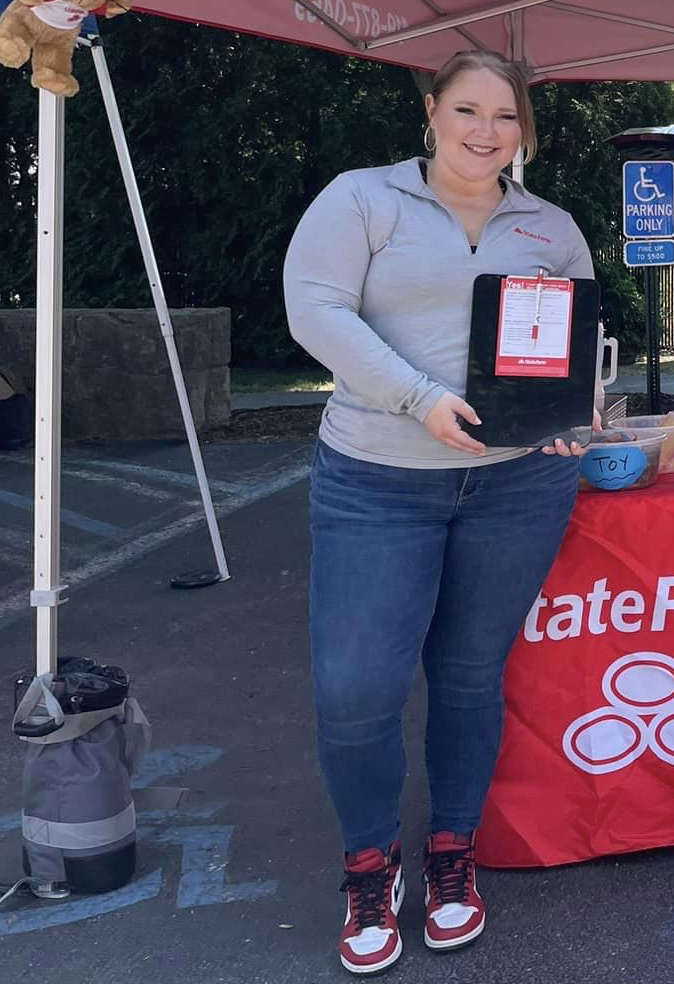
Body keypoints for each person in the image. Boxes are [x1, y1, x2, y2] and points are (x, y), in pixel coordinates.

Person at [284, 49, 598, 975]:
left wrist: (568, 418)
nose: (485, 132)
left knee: (469, 677)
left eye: (506, 118)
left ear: (524, 131)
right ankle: (369, 866)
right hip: (377, 478)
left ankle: (452, 853)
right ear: (432, 111)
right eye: (468, 110)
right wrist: (418, 398)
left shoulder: (551, 227)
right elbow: (316, 310)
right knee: (356, 689)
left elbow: (570, 340)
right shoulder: (363, 200)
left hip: (517, 485)